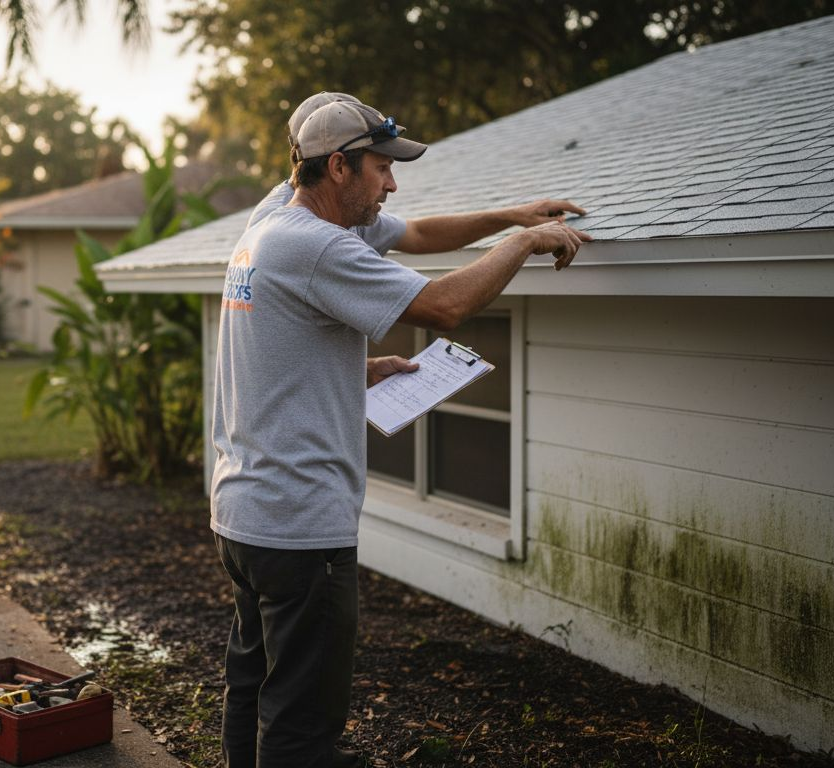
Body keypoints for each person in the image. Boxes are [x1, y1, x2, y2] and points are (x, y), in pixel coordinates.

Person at [211, 95, 592, 768]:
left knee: (253, 686)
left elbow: (415, 235)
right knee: (303, 726)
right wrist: (526, 241)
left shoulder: (273, 218)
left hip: (245, 516)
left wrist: (509, 213)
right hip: (302, 529)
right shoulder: (318, 246)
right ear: (338, 167)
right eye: (382, 168)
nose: (392, 183)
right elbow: (445, 305)